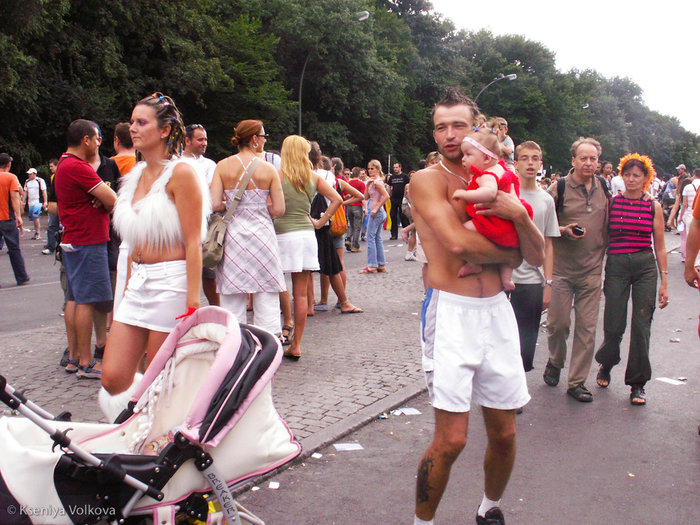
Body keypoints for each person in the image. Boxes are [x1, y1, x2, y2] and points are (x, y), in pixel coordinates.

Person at [410, 88, 544, 525]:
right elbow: (455, 241)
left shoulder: (500, 180)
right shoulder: (427, 180)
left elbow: (539, 256)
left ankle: (489, 509)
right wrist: (512, 254)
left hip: (497, 313)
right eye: (440, 127)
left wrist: (520, 217)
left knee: (505, 433)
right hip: (452, 314)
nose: (449, 135)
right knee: (452, 440)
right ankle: (422, 522)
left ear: (476, 130)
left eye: (458, 126)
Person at [100, 93, 210, 418]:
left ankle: (151, 445)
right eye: (132, 121)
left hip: (170, 283)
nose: (133, 128)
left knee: (157, 380)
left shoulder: (183, 174)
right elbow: (134, 241)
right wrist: (128, 286)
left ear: (164, 130)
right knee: (113, 377)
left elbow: (194, 241)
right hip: (139, 283)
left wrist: (192, 304)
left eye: (141, 122)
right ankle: (133, 427)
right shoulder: (133, 176)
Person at [594, 154, 669, 405]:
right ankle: (607, 363)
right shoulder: (612, 203)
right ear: (621, 176)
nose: (631, 179)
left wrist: (665, 281)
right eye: (627, 175)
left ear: (646, 179)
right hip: (616, 265)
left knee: (641, 324)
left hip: (645, 266)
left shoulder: (653, 206)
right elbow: (602, 239)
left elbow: (659, 246)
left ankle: (637, 383)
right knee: (614, 322)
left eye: (637, 175)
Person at [544, 137, 609, 402]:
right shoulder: (557, 187)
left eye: (593, 158)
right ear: (573, 160)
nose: (589, 163)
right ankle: (555, 361)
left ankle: (577, 382)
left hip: (592, 271)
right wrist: (563, 230)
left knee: (587, 329)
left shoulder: (604, 187)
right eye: (583, 158)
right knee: (558, 324)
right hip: (560, 270)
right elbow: (541, 223)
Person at [54, 119, 117, 379]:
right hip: (88, 240)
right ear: (86, 140)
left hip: (74, 238)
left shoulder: (63, 164)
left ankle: (74, 358)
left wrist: (99, 200)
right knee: (86, 301)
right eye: (97, 137)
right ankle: (87, 363)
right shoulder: (79, 167)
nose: (99, 143)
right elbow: (112, 199)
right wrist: (102, 201)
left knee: (74, 298)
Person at [210, 119, 285, 334]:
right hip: (262, 235)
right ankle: (268, 342)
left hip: (233, 235)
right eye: (263, 136)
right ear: (254, 139)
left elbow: (215, 204)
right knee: (266, 292)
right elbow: (279, 209)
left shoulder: (222, 166)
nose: (264, 140)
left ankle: (234, 344)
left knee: (232, 294)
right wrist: (259, 209)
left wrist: (232, 205)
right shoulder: (269, 169)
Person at [274, 135, 341, 360]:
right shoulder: (312, 177)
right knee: (301, 294)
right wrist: (320, 222)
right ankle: (297, 345)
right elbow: (337, 199)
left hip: (282, 235)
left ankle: (283, 329)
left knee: (277, 285)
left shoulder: (277, 176)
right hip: (306, 234)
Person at [451, 122, 534, 291]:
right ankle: (507, 278)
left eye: (467, 154)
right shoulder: (502, 169)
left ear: (487, 158)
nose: (463, 159)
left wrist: (464, 194)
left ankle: (474, 262)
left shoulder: (487, 175)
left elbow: (489, 193)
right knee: (507, 260)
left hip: (494, 221)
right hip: (510, 227)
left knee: (464, 229)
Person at [510, 141, 560, 374]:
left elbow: (549, 243)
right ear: (516, 162)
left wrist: (548, 283)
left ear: (541, 164)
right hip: (504, 276)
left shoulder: (546, 200)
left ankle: (517, 386)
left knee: (526, 339)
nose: (530, 163)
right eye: (525, 158)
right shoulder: (506, 194)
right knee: (503, 337)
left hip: (532, 280)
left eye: (535, 158)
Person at [307, 143, 363, 313]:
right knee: (333, 265)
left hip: (305, 223)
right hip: (325, 224)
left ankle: (311, 303)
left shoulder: (295, 174)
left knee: (307, 268)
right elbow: (339, 199)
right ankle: (342, 301)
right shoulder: (328, 177)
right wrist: (323, 219)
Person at [183, 123, 220, 307]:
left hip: (205, 224)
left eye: (205, 139)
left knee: (209, 275)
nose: (204, 143)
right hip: (180, 224)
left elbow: (213, 193)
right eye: (200, 139)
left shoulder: (209, 165)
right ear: (187, 141)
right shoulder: (176, 162)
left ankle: (216, 311)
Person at [0, 153, 30, 286]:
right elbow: (14, 198)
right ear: (8, 164)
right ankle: (21, 277)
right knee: (14, 249)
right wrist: (18, 216)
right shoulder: (11, 177)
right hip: (7, 218)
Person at [360, 159, 390, 274]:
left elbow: (386, 196)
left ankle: (372, 265)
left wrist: (376, 208)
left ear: (378, 169)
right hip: (376, 211)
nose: (370, 171)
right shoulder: (373, 182)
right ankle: (381, 264)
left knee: (370, 238)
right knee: (377, 238)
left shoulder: (378, 182)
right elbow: (366, 197)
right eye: (369, 168)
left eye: (372, 168)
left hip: (377, 212)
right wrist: (367, 184)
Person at [678, 168, 700, 262]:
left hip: (689, 215)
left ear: (694, 175)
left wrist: (680, 216)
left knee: (690, 239)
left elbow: (684, 204)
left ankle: (692, 260)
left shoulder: (687, 187)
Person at [387, 161, 410, 240]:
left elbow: (408, 186)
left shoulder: (405, 176)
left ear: (400, 167)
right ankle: (394, 234)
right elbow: (389, 187)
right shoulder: (392, 177)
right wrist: (388, 196)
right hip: (394, 199)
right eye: (394, 167)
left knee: (403, 216)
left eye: (397, 167)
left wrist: (407, 197)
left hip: (402, 199)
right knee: (393, 216)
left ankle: (406, 232)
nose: (395, 169)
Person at [23, 167, 47, 240]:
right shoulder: (27, 182)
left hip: (37, 201)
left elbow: (44, 191)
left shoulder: (39, 181)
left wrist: (45, 201)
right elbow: (25, 192)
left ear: (34, 174)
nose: (29, 175)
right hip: (30, 202)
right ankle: (36, 231)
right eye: (28, 174)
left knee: (35, 217)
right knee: (33, 218)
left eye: (30, 174)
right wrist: (23, 201)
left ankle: (38, 233)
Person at [345, 167, 366, 252]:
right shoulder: (361, 184)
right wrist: (366, 208)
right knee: (357, 226)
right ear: (359, 174)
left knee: (351, 224)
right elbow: (362, 197)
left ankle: (348, 238)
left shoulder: (348, 183)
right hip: (357, 206)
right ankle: (355, 246)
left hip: (349, 206)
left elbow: (346, 195)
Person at [42, 159, 60, 255]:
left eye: (52, 166)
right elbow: (53, 192)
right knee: (52, 226)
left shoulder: (61, 175)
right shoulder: (53, 176)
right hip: (55, 203)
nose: (50, 168)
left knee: (56, 226)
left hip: (60, 204)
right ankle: (51, 246)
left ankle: (55, 246)